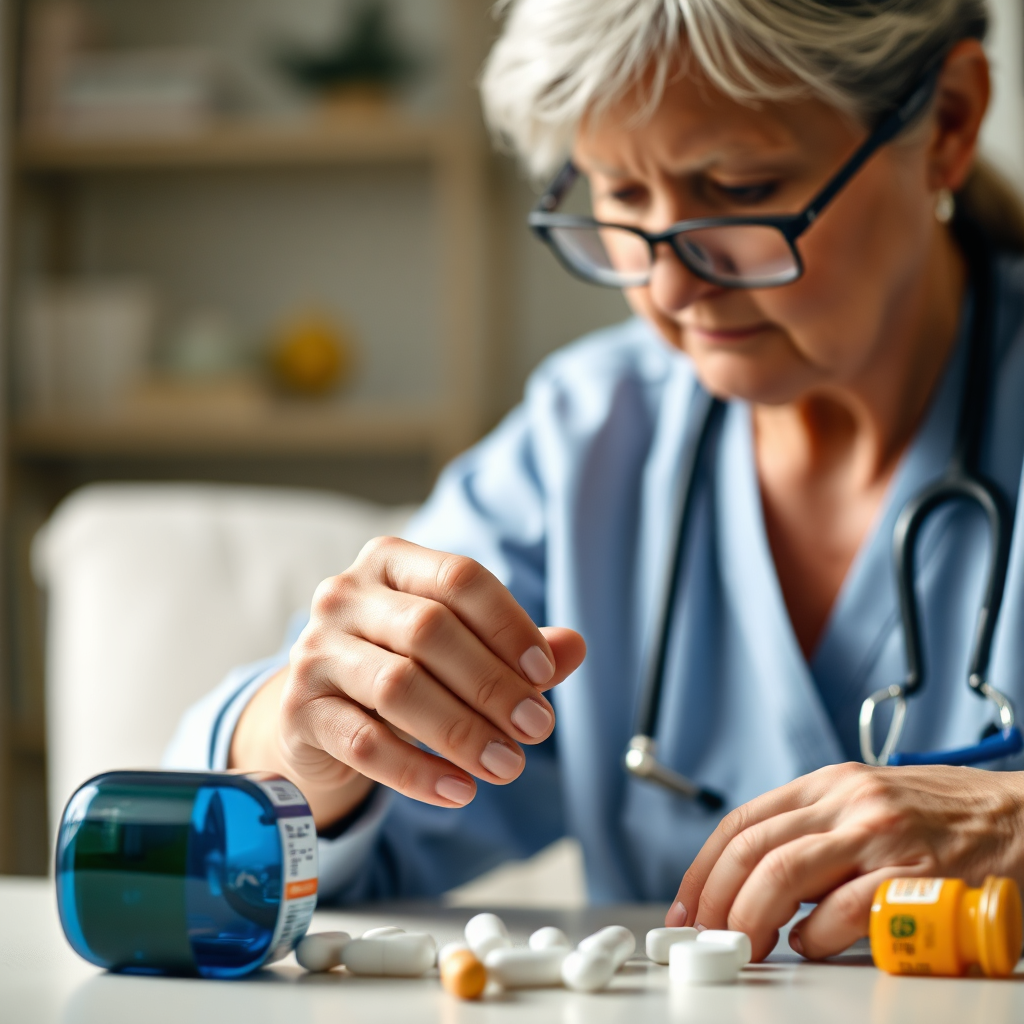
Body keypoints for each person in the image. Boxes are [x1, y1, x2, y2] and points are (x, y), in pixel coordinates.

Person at [166, 0, 1024, 961]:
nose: (668, 286)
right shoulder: (588, 446)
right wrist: (313, 740)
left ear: (947, 123)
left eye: (741, 188)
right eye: (618, 196)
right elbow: (215, 863)